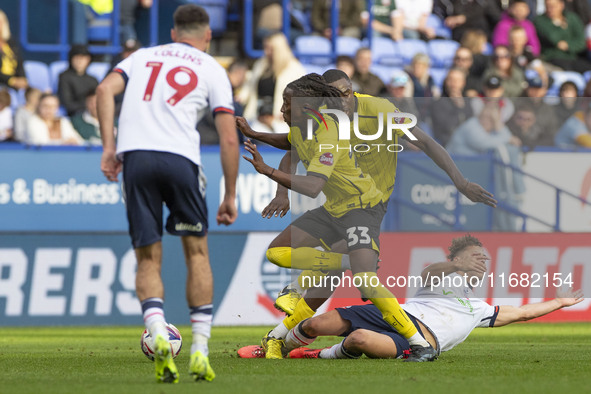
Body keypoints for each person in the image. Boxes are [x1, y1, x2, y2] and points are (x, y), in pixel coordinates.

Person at [237, 71, 497, 361]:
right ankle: (278, 337)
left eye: (347, 93)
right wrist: (263, 149)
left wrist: (460, 182)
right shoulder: (321, 121)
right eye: (335, 96)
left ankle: (415, 341)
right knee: (328, 271)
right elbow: (293, 145)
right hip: (336, 203)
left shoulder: (381, 111)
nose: (343, 101)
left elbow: (425, 142)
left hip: (369, 204)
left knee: (358, 277)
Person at [96, 4, 239, 383]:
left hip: (137, 159)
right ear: (207, 37)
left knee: (148, 257)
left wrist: (109, 148)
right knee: (197, 252)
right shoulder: (211, 68)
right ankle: (200, 350)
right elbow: (228, 137)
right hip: (181, 161)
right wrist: (230, 194)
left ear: (174, 33)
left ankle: (158, 331)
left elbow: (104, 89)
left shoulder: (141, 56)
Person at [237, 235, 584, 360]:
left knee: (357, 340)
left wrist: (559, 303)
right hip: (396, 314)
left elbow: (522, 313)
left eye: (483, 259)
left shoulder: (480, 308)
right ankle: (275, 347)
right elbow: (433, 270)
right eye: (474, 257)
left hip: (422, 339)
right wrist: (456, 263)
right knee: (317, 321)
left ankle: (318, 355)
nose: (481, 264)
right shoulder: (437, 280)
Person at [237, 32, 305, 133]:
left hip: (281, 122)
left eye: (270, 48)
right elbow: (250, 86)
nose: (266, 52)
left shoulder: (295, 68)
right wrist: (240, 97)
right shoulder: (260, 64)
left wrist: (289, 113)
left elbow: (303, 95)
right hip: (257, 118)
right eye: (265, 47)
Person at [534, 0, 590, 73]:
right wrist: (559, 24)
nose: (550, 9)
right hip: (552, 57)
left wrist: (568, 45)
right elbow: (553, 38)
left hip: (573, 57)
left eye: (554, 6)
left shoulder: (572, 18)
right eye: (548, 6)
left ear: (561, 5)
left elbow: (581, 42)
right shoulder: (539, 20)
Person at [432, 67, 473, 146]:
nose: (454, 83)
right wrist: (458, 108)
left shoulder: (468, 103)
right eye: (451, 79)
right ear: (446, 82)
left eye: (457, 80)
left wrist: (461, 106)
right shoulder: (438, 103)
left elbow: (472, 126)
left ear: (463, 83)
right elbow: (445, 128)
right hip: (448, 144)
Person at [58, 45, 99, 116]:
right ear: (71, 59)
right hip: (74, 115)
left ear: (88, 60)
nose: (80, 61)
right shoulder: (64, 77)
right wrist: (88, 106)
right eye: (77, 58)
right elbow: (67, 103)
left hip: (93, 115)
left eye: (83, 58)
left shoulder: (93, 79)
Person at [433, 0, 502, 42]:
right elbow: (450, 17)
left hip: (481, 34)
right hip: (459, 34)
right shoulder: (456, 3)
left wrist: (464, 18)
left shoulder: (484, 3)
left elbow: (496, 17)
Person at [0, 9, 27, 91]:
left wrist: (23, 79)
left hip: (15, 85)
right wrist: (11, 81)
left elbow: (20, 63)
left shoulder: (12, 43)